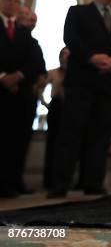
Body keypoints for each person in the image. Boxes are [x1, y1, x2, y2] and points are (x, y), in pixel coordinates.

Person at [48, 0, 111, 198]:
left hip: (110, 84)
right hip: (82, 83)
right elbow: (71, 39)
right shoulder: (77, 12)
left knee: (101, 135)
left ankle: (93, 182)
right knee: (71, 134)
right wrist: (92, 58)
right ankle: (60, 185)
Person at [0, 0, 37, 198]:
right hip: (1, 93)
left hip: (21, 94)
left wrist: (19, 76)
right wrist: (3, 76)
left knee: (19, 141)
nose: (13, 4)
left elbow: (34, 62)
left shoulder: (24, 31)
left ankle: (15, 180)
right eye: (9, 0)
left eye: (17, 1)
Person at [15, 6, 47, 194]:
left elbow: (40, 69)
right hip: (12, 95)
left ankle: (17, 180)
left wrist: (40, 80)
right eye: (28, 17)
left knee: (22, 142)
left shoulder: (34, 43)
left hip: (29, 98)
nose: (32, 22)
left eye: (34, 20)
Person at [42, 47, 69, 189]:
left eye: (68, 54)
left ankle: (64, 179)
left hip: (69, 108)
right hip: (56, 106)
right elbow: (40, 88)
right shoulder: (53, 72)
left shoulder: (75, 73)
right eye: (63, 54)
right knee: (52, 142)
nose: (65, 57)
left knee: (65, 144)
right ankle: (49, 180)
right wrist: (46, 104)